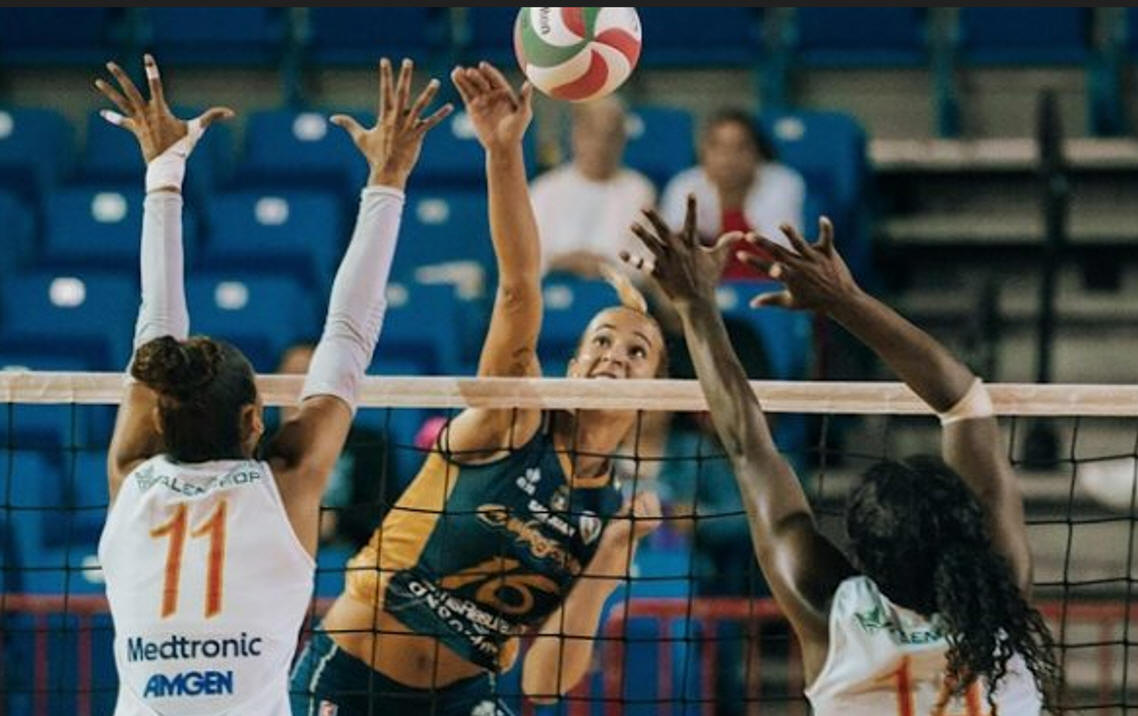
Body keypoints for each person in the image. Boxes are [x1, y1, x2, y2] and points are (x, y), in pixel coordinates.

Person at [292, 61, 663, 715]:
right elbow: (519, 289)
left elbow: (545, 683)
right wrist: (503, 150)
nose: (615, 356)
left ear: (657, 389)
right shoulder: (513, 423)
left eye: (638, 352)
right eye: (601, 341)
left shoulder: (609, 508)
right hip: (353, 681)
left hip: (466, 698)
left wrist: (608, 561)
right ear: (572, 368)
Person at [96, 54, 451, 715]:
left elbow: (157, 327)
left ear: (161, 420)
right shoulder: (285, 486)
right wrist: (388, 177)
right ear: (254, 422)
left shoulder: (130, 477)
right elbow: (347, 333)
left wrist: (164, 172)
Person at [621, 199, 1061, 714]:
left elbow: (745, 447)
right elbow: (964, 399)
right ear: (971, 529)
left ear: (865, 558)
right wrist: (845, 298)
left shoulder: (831, 613)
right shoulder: (1001, 601)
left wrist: (695, 304)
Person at [276, 341, 396, 551]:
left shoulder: (370, 444)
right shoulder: (256, 443)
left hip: (349, 553)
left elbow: (381, 513)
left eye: (307, 376)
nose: (298, 389)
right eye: (290, 377)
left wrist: (333, 522)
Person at [659, 108, 805, 280]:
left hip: (769, 283)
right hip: (703, 286)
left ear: (757, 151)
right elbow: (674, 256)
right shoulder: (684, 185)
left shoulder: (783, 182)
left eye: (740, 148)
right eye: (718, 147)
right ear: (702, 151)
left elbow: (784, 256)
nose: (728, 158)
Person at [530, 95, 656, 279]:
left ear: (623, 139)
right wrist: (564, 262)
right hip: (553, 290)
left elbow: (647, 266)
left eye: (611, 135)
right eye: (592, 133)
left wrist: (604, 267)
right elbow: (524, 264)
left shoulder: (639, 190)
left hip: (616, 290)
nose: (600, 144)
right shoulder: (543, 190)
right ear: (575, 134)